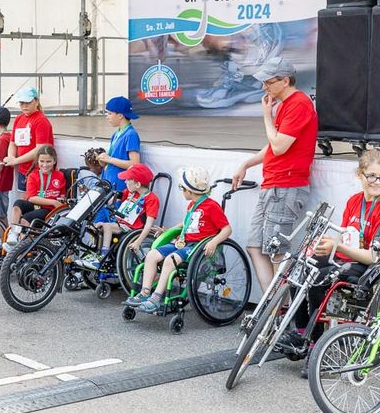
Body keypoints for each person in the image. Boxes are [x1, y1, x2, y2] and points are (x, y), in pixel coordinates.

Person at [284, 150, 380, 378]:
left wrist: (339, 248)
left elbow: (374, 257)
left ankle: (316, 343)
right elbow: (347, 234)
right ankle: (300, 330)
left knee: (319, 278)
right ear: (360, 175)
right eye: (372, 176)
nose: (377, 182)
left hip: (366, 266)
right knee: (299, 267)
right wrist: (327, 243)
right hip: (346, 255)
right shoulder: (354, 201)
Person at [232, 56, 317, 292]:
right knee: (256, 247)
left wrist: (266, 116)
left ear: (285, 80)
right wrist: (247, 163)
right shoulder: (286, 105)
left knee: (276, 252)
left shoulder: (299, 104)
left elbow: (279, 146)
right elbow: (274, 145)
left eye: (268, 82)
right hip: (275, 185)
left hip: (285, 185)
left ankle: (282, 314)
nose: (264, 87)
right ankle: (272, 310)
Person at [125, 167, 231, 313]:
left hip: (197, 247)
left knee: (170, 260)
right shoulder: (192, 205)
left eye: (182, 188)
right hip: (183, 242)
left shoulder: (212, 206)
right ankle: (144, 292)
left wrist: (213, 242)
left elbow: (227, 229)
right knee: (151, 255)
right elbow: (186, 223)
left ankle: (156, 298)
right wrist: (169, 231)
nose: (182, 191)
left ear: (189, 190)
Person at [78, 163, 159, 270]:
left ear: (138, 184)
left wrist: (138, 241)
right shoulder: (129, 192)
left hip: (133, 229)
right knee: (97, 226)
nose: (125, 182)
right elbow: (112, 200)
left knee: (107, 226)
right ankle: (94, 254)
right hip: (120, 223)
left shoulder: (151, 199)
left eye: (128, 180)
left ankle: (103, 257)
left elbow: (148, 224)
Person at [5, 145, 66, 248]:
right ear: (37, 161)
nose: (45, 165)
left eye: (48, 162)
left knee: (26, 218)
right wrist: (52, 201)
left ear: (54, 161)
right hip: (39, 204)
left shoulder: (59, 175)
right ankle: (13, 235)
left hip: (49, 210)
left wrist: (58, 202)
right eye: (42, 161)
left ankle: (21, 247)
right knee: (17, 204)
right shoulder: (33, 175)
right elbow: (31, 198)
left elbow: (62, 196)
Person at [3, 87, 54, 195]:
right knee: (24, 200)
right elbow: (13, 142)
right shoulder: (19, 118)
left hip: (38, 170)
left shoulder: (41, 121)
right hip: (23, 170)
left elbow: (40, 149)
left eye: (28, 102)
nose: (24, 106)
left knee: (35, 201)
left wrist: (16, 161)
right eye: (21, 103)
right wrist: (11, 156)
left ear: (36, 101)